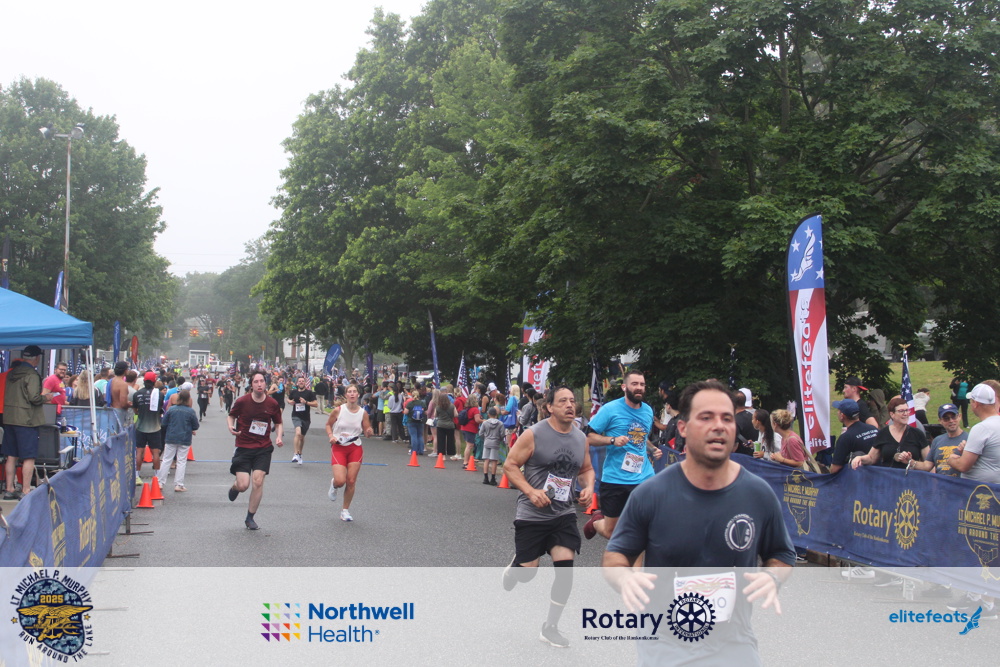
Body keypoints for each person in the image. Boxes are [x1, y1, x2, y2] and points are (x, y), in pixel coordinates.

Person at [602, 380, 794, 665]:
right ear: (682, 427)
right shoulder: (651, 494)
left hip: (735, 644)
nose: (718, 426)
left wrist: (772, 577)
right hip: (665, 645)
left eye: (726, 418)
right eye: (706, 417)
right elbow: (615, 556)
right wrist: (625, 579)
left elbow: (781, 553)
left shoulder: (757, 494)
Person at [501, 386, 594, 648]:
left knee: (565, 572)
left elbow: (586, 469)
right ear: (549, 407)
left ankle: (550, 627)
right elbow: (510, 465)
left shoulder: (581, 438)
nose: (569, 405)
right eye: (562, 401)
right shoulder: (534, 434)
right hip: (532, 513)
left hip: (563, 513)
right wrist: (531, 492)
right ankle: (516, 567)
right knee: (528, 574)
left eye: (572, 401)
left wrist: (588, 487)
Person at [583, 370, 661, 542]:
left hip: (643, 477)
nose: (639, 388)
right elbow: (588, 437)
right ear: (624, 387)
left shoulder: (648, 411)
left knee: (642, 530)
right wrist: (612, 440)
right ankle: (597, 522)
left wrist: (652, 449)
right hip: (616, 478)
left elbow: (641, 437)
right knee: (612, 532)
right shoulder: (610, 409)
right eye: (635, 384)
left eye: (642, 384)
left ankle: (635, 561)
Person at [226, 370, 284, 530]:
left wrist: (279, 436)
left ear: (265, 384)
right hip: (244, 447)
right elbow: (231, 416)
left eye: (262, 381)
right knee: (243, 485)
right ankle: (235, 487)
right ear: (251, 385)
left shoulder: (272, 404)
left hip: (263, 448)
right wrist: (230, 426)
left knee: (258, 481)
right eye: (256, 382)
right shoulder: (242, 401)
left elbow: (278, 422)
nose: (259, 384)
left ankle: (250, 517)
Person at [2, 346, 53, 500]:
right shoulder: (32, 374)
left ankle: (9, 489)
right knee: (29, 457)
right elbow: (34, 398)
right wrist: (46, 397)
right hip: (26, 420)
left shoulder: (12, 373)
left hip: (10, 418)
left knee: (11, 456)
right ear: (36, 358)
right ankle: (25, 490)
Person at [325, 384, 375, 522]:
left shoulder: (363, 413)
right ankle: (334, 484)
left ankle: (345, 510)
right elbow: (328, 425)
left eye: (354, 392)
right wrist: (331, 436)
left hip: (355, 447)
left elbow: (367, 432)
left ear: (358, 395)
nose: (352, 394)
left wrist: (369, 431)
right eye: (350, 392)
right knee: (341, 481)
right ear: (346, 395)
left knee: (351, 480)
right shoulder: (338, 410)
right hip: (339, 446)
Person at [851, 396, 926, 470]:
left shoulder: (918, 434)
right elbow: (871, 458)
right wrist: (860, 458)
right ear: (892, 414)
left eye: (907, 410)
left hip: (910, 477)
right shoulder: (883, 433)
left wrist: (911, 462)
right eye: (901, 411)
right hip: (889, 477)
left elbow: (928, 465)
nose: (905, 413)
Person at [157, 389, 199, 492]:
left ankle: (160, 482)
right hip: (185, 438)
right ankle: (178, 484)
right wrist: (190, 429)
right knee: (181, 461)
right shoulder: (190, 411)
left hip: (171, 436)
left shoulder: (171, 409)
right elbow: (195, 425)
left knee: (166, 459)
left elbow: (164, 423)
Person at [911, 403, 966, 476]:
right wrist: (910, 462)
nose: (951, 421)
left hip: (961, 482)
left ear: (959, 417)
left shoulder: (969, 439)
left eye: (954, 417)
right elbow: (927, 466)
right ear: (940, 421)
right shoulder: (937, 440)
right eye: (946, 418)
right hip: (941, 482)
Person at [828, 399, 878, 473]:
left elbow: (835, 468)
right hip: (878, 474)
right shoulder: (873, 429)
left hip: (859, 477)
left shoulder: (845, 438)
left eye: (838, 411)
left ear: (842, 416)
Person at [132, 371, 165, 483]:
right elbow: (160, 408)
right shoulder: (159, 394)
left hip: (141, 426)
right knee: (155, 452)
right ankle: (157, 476)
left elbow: (135, 410)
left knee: (139, 451)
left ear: (144, 381)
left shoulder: (137, 394)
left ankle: (137, 475)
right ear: (154, 382)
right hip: (155, 427)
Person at [287, 376, 317, 465]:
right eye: (299, 381)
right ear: (297, 383)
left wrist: (306, 402)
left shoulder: (309, 393)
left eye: (302, 381)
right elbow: (288, 399)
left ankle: (300, 453)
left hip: (306, 418)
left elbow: (316, 404)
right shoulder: (294, 392)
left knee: (302, 437)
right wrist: (289, 402)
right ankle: (295, 454)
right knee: (298, 433)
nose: (301, 382)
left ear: (305, 383)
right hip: (296, 416)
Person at [480, 407, 505, 485]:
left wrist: (485, 437)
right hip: (495, 442)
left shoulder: (485, 423)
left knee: (486, 460)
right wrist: (499, 439)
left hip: (487, 441)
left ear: (488, 414)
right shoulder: (500, 423)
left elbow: (480, 433)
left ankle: (485, 478)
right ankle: (493, 478)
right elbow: (502, 434)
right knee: (494, 460)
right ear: (496, 414)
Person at [403, 389, 427, 456]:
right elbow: (426, 412)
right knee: (420, 436)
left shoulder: (410, 403)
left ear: (412, 396)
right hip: (420, 421)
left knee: (413, 436)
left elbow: (405, 412)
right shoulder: (422, 403)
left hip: (411, 421)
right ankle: (421, 450)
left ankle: (414, 451)